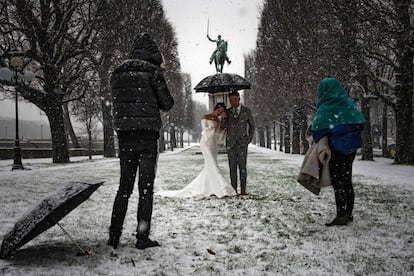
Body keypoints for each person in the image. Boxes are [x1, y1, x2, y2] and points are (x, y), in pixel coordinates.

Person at [108, 33, 174, 249]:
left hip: (125, 136)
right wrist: (160, 77)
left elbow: (120, 104)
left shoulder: (117, 73)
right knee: (145, 189)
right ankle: (141, 237)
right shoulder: (153, 72)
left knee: (124, 188)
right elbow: (167, 103)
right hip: (147, 137)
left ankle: (114, 235)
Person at [311, 77, 365, 226]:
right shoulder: (348, 103)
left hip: (336, 148)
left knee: (338, 181)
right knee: (347, 179)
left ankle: (341, 214)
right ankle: (348, 213)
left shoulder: (326, 107)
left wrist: (333, 132)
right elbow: (360, 123)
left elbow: (317, 131)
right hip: (351, 148)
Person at [156, 103, 237, 198]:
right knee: (213, 165)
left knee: (210, 166)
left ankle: (210, 188)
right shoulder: (205, 117)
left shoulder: (219, 120)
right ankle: (223, 188)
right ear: (215, 109)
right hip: (206, 142)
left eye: (222, 111)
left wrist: (221, 122)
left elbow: (218, 134)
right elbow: (204, 130)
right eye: (219, 110)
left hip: (213, 143)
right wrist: (212, 128)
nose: (219, 112)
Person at [221, 91, 255, 195]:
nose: (232, 102)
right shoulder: (227, 112)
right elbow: (222, 127)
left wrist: (248, 140)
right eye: (230, 100)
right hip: (231, 144)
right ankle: (234, 190)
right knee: (232, 168)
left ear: (239, 99)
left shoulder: (247, 111)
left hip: (242, 143)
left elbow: (252, 126)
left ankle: (243, 190)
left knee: (242, 167)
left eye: (234, 99)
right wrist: (224, 117)